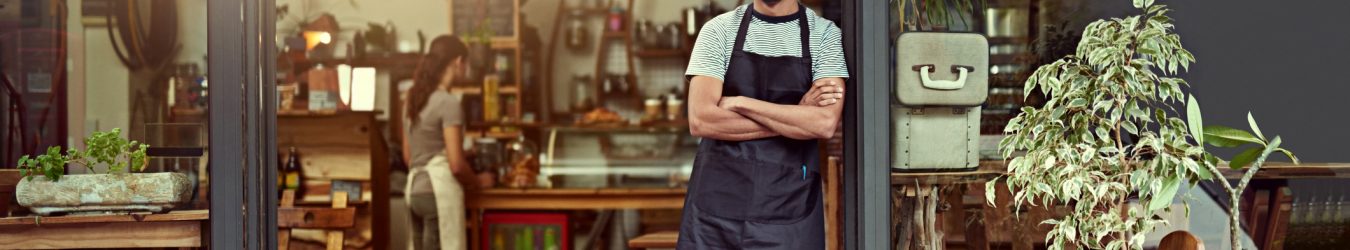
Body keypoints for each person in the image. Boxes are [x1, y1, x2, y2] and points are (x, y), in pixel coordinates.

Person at [678, 0, 847, 248]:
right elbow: (701, 119)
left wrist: (741, 103)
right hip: (714, 214)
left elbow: (823, 124)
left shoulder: (824, 35)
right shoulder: (718, 30)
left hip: (788, 208)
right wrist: (796, 116)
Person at [401, 35, 493, 250]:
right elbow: (456, 165)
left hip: (414, 193)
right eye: (466, 64)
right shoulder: (448, 103)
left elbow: (409, 157)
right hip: (437, 195)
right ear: (458, 62)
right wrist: (479, 181)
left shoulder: (411, 100)